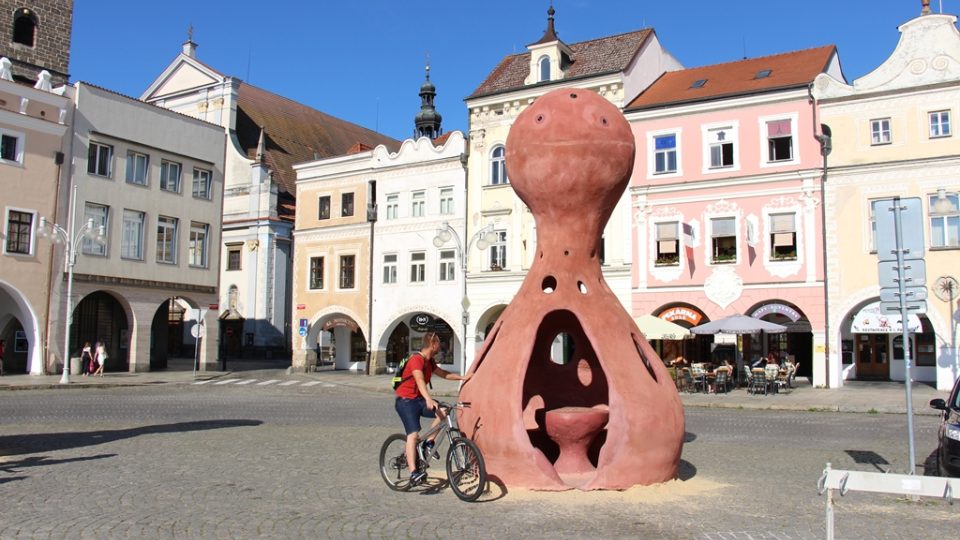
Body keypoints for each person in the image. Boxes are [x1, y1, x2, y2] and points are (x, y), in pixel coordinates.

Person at [394, 331, 471, 485]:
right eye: (438, 343)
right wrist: (429, 399)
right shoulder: (416, 359)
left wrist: (462, 378)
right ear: (432, 344)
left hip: (419, 399)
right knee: (413, 435)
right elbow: (419, 379)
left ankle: (428, 443)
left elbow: (443, 373)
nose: (440, 346)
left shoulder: (429, 362)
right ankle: (413, 472)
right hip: (406, 401)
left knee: (443, 411)